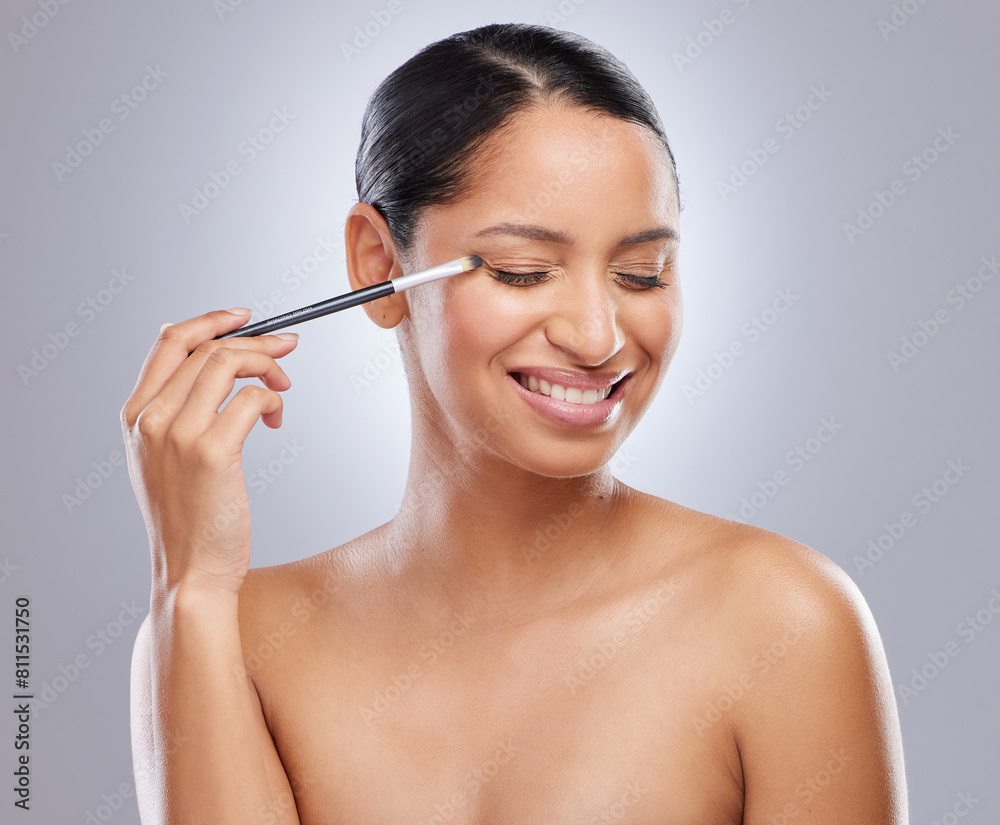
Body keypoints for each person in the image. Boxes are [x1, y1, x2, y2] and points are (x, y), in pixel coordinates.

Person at [124, 22, 908, 824]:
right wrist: (188, 586)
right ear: (379, 265)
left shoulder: (781, 622)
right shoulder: (231, 636)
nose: (598, 336)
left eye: (644, 273)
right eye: (523, 271)